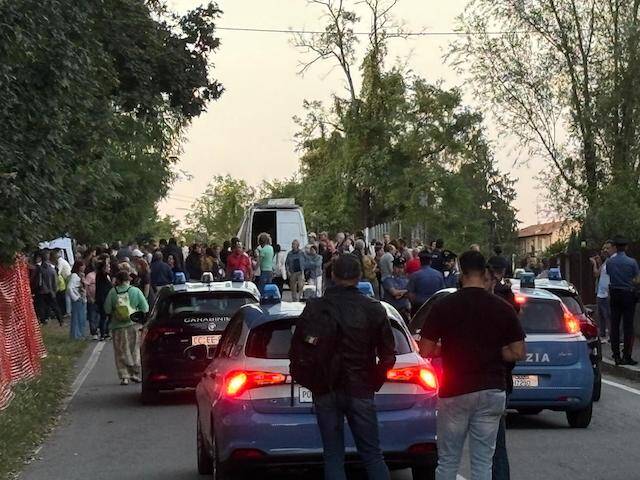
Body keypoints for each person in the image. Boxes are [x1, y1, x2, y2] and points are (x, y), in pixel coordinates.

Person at [419, 250, 526, 480]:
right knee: (482, 463)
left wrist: (448, 349)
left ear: (461, 272)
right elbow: (517, 351)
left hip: (455, 390)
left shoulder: (444, 306)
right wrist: (491, 351)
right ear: (484, 272)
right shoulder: (502, 308)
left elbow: (425, 350)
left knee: (447, 461)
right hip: (491, 389)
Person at [290, 254, 395, 480]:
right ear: (359, 277)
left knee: (333, 455)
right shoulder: (373, 309)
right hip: (360, 387)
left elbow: (297, 351)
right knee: (372, 455)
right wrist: (372, 382)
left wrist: (311, 382)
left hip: (326, 388)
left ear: (333, 276)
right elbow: (388, 355)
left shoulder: (315, 308)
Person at [487, 257, 520, 480]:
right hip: (500, 381)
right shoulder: (508, 300)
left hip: (486, 382)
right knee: (497, 446)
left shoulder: (495, 302)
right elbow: (515, 352)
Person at [104, 270, 149, 385]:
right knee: (134, 350)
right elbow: (145, 308)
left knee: (120, 351)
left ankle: (124, 376)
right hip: (133, 325)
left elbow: (107, 309)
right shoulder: (135, 291)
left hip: (117, 327)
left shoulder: (112, 292)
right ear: (129, 279)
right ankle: (135, 373)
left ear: (118, 280)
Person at [606, 236, 640, 365]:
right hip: (628, 294)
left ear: (615, 247)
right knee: (628, 326)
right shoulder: (632, 262)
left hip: (614, 293)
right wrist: (629, 281)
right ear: (626, 247)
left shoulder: (610, 262)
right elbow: (637, 279)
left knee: (615, 325)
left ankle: (616, 355)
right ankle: (627, 355)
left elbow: (609, 275)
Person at [590, 241, 615, 341]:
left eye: (607, 248)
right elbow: (596, 274)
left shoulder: (613, 261)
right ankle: (603, 335)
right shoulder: (605, 262)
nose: (605, 250)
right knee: (601, 316)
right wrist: (595, 263)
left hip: (607, 293)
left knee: (609, 315)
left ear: (613, 248)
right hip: (600, 293)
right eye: (604, 248)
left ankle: (612, 336)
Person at [34, 250, 63, 326]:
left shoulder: (39, 269)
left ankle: (43, 319)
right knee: (54, 306)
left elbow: (38, 280)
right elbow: (54, 281)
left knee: (41, 306)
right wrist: (54, 290)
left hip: (42, 290)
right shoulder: (52, 269)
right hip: (50, 290)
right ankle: (60, 320)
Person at [67, 261, 87, 340]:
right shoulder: (74, 276)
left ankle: (80, 333)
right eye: (83, 266)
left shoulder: (81, 275)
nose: (84, 267)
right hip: (78, 299)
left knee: (81, 317)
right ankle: (76, 334)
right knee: (77, 317)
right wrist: (75, 297)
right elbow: (69, 288)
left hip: (82, 298)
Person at [95, 260, 112, 340]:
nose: (109, 268)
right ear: (104, 268)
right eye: (108, 267)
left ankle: (105, 332)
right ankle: (104, 333)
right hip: (103, 299)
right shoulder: (102, 276)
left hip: (104, 298)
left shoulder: (103, 276)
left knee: (106, 316)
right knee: (104, 317)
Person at [84, 260, 100, 340]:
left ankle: (99, 329)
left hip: (100, 299)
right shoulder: (90, 276)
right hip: (92, 298)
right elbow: (86, 286)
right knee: (92, 315)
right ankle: (94, 332)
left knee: (99, 315)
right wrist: (89, 296)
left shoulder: (103, 275)